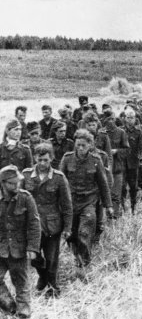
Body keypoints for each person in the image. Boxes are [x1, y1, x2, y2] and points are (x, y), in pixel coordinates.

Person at [22, 144, 72, 296]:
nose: (42, 163)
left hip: (52, 225)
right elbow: (18, 199)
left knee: (51, 259)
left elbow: (67, 205)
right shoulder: (25, 175)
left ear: (51, 159)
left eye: (45, 160)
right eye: (39, 160)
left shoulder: (59, 178)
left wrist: (67, 228)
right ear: (35, 158)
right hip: (31, 226)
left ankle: (53, 288)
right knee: (34, 257)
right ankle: (43, 276)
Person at [60, 129, 113, 269]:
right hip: (70, 202)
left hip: (88, 202)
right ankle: (76, 257)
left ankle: (85, 262)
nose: (81, 148)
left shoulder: (96, 160)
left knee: (84, 231)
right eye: (78, 145)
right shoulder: (67, 159)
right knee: (71, 234)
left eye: (84, 145)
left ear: (90, 145)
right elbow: (60, 181)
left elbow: (103, 184)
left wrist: (108, 205)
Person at [0, 165, 41, 319]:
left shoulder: (26, 198)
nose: (17, 186)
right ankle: (10, 307)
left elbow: (34, 224)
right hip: (1, 247)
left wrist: (33, 248)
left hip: (19, 248)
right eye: (12, 183)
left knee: (21, 284)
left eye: (18, 182)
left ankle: (23, 316)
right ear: (3, 183)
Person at [122, 108, 142, 214]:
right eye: (128, 118)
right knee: (122, 186)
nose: (130, 120)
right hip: (122, 163)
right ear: (124, 118)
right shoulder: (120, 131)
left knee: (133, 187)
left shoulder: (138, 132)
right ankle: (122, 208)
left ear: (135, 119)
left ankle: (133, 207)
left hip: (133, 163)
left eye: (132, 118)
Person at [103, 113, 129, 218]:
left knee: (116, 195)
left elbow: (127, 150)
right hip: (104, 169)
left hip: (117, 168)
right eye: (108, 119)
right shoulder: (101, 133)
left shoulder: (121, 132)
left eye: (112, 119)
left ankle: (115, 217)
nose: (111, 121)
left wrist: (117, 151)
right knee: (104, 195)